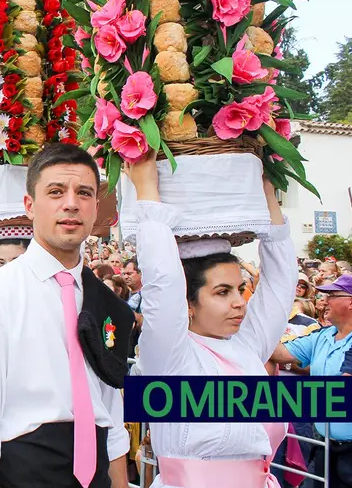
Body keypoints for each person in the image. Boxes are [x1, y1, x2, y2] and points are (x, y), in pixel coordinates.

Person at [0, 143, 133, 488]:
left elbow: (113, 420)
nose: (71, 204)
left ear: (96, 208)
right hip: (23, 472)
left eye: (84, 193)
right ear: (29, 206)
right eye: (55, 192)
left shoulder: (107, 303)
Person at [127, 151, 296, 488]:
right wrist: (147, 191)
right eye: (222, 292)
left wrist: (267, 193)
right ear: (187, 303)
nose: (239, 303)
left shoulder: (247, 348)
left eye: (240, 289)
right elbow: (163, 283)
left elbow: (280, 283)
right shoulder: (169, 356)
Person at [271, 274, 352, 487]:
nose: (323, 300)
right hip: (327, 447)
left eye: (332, 295)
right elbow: (279, 353)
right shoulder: (324, 334)